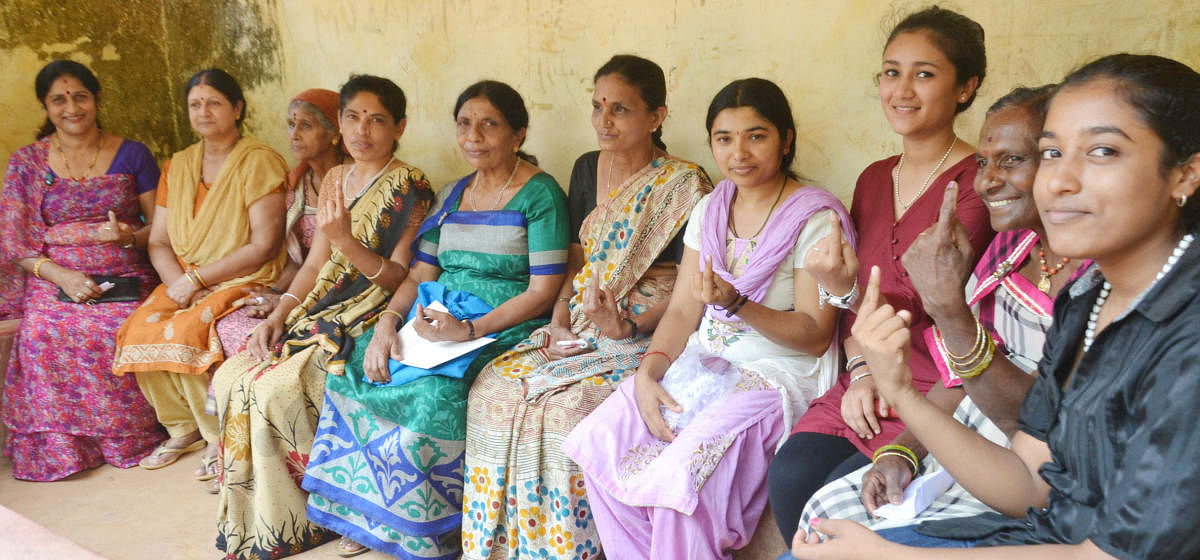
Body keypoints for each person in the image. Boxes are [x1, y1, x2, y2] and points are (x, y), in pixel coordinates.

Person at [791, 53, 1200, 559]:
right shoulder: (1087, 299)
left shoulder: (1185, 332)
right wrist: (901, 391)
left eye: (1101, 151)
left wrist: (892, 556)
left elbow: (1113, 554)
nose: (1060, 181)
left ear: (1185, 174)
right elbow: (1030, 480)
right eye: (1051, 154)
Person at [561, 77, 855, 559]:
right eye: (724, 138)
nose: (739, 151)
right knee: (602, 446)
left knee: (683, 481)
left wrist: (739, 303)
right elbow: (682, 309)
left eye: (756, 135)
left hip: (775, 374)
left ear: (786, 139)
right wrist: (649, 371)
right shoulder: (710, 209)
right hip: (706, 361)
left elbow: (815, 335)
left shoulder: (815, 218)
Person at [798, 86, 1093, 530]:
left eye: (1011, 160)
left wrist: (947, 308)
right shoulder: (1011, 247)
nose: (988, 180)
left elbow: (1034, 422)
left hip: (1025, 466)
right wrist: (903, 453)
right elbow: (959, 375)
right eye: (982, 163)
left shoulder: (1098, 280)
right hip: (960, 432)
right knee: (819, 513)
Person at [301, 80, 569, 559]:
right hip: (437, 316)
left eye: (490, 124)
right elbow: (421, 272)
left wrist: (471, 330)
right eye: (465, 124)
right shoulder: (453, 194)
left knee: (432, 394)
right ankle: (366, 515)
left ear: (518, 134)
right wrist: (386, 324)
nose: (474, 136)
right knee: (357, 364)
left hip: (501, 321)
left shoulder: (540, 194)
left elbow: (542, 290)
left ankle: (425, 531)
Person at [461, 56, 712, 560]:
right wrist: (557, 323)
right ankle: (505, 547)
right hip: (579, 313)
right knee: (495, 387)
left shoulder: (686, 185)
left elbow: (689, 289)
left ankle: (574, 550)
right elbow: (578, 262)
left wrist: (625, 324)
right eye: (598, 106)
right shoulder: (583, 168)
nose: (604, 120)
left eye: (620, 109)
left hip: (647, 326)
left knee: (566, 408)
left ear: (656, 116)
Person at [767, 6, 995, 544]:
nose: (903, 90)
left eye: (925, 73)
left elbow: (919, 300)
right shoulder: (873, 180)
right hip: (868, 376)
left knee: (843, 510)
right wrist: (863, 371)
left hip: (943, 387)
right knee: (792, 475)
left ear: (967, 87)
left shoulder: (976, 186)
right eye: (892, 72)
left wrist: (845, 292)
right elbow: (858, 299)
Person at [212, 74, 431, 559]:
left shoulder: (411, 184)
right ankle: (264, 516)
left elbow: (399, 277)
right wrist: (281, 311)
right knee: (233, 376)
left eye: (377, 119)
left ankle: (316, 515)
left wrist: (348, 240)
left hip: (370, 310)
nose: (362, 130)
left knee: (275, 387)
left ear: (399, 126)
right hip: (318, 305)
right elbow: (314, 265)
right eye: (352, 117)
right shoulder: (336, 178)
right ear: (340, 124)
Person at [111, 68, 289, 488]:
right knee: (140, 328)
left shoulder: (259, 161)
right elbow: (157, 241)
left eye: (214, 102)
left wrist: (197, 280)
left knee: (190, 331)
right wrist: (183, 285)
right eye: (195, 104)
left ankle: (215, 438)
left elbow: (263, 245)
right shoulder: (179, 165)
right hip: (188, 278)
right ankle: (183, 429)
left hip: (242, 273)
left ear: (237, 108)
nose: (204, 111)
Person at [0, 60, 162, 481]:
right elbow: (15, 243)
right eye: (59, 99)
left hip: (124, 273)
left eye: (80, 96)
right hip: (54, 276)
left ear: (96, 99)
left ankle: (126, 436)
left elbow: (160, 230)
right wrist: (65, 278)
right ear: (45, 106)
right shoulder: (27, 164)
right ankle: (63, 447)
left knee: (118, 328)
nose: (71, 107)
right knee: (40, 335)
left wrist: (128, 238)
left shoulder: (133, 153)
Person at [215, 88, 346, 356]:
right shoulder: (296, 186)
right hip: (301, 286)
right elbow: (298, 262)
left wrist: (286, 303)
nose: (293, 134)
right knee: (231, 324)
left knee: (270, 343)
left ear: (335, 132)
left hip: (341, 292)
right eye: (290, 124)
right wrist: (274, 293)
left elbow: (331, 264)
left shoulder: (352, 182)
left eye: (306, 125)